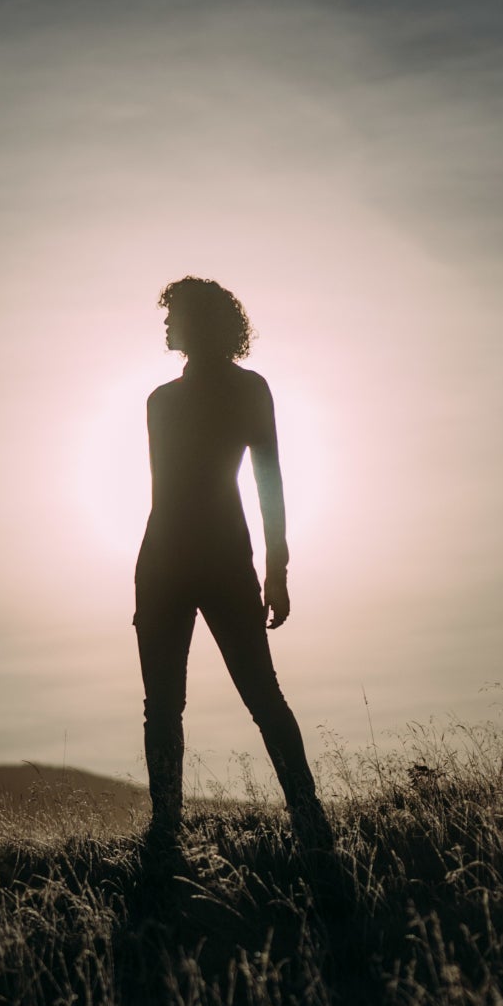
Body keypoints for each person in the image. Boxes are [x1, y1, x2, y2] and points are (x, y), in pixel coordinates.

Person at [133, 277, 333, 855]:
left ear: (199, 322)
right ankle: (169, 823)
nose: (166, 325)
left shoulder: (227, 394)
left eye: (174, 315)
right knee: (179, 702)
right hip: (189, 559)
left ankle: (302, 812)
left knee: (248, 695)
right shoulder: (165, 400)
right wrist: (275, 568)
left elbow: (267, 479)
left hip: (191, 559)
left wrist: (278, 568)